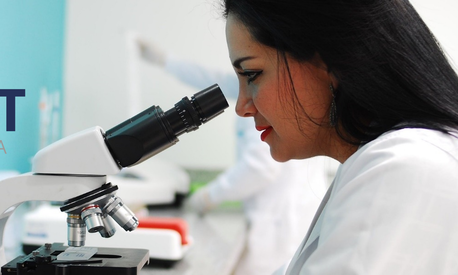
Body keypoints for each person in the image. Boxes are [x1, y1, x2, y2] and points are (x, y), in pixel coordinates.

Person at [222, 0, 458, 274]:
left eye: (252, 75)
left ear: (328, 60)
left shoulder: (406, 168)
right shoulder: (383, 162)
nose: (242, 106)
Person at [138, 38, 329, 274]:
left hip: (278, 225)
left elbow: (260, 168)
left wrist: (209, 196)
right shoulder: (263, 87)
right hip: (285, 218)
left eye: (249, 73)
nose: (241, 106)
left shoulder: (264, 102)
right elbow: (211, 80)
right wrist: (167, 61)